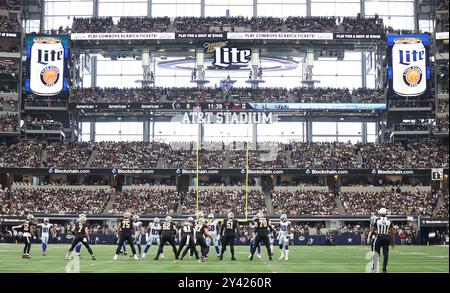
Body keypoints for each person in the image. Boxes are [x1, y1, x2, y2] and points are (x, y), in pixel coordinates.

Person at [370, 208, 395, 273]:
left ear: (380, 213)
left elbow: (373, 230)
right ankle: (384, 269)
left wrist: (370, 237)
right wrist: (392, 241)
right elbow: (392, 232)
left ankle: (375, 268)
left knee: (376, 253)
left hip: (379, 237)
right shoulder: (389, 221)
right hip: (386, 238)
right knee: (386, 254)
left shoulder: (377, 220)